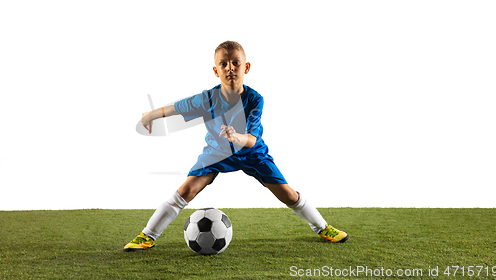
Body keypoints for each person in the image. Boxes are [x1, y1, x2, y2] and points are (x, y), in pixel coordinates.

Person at [123, 41, 348, 251]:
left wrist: (237, 137)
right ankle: (147, 235)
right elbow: (177, 107)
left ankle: (322, 227)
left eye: (235, 62)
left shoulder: (255, 99)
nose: (230, 67)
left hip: (252, 153)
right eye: (223, 63)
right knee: (186, 190)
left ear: (246, 67)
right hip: (217, 154)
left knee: (289, 195)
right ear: (216, 70)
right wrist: (151, 114)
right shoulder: (207, 98)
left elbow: (252, 138)